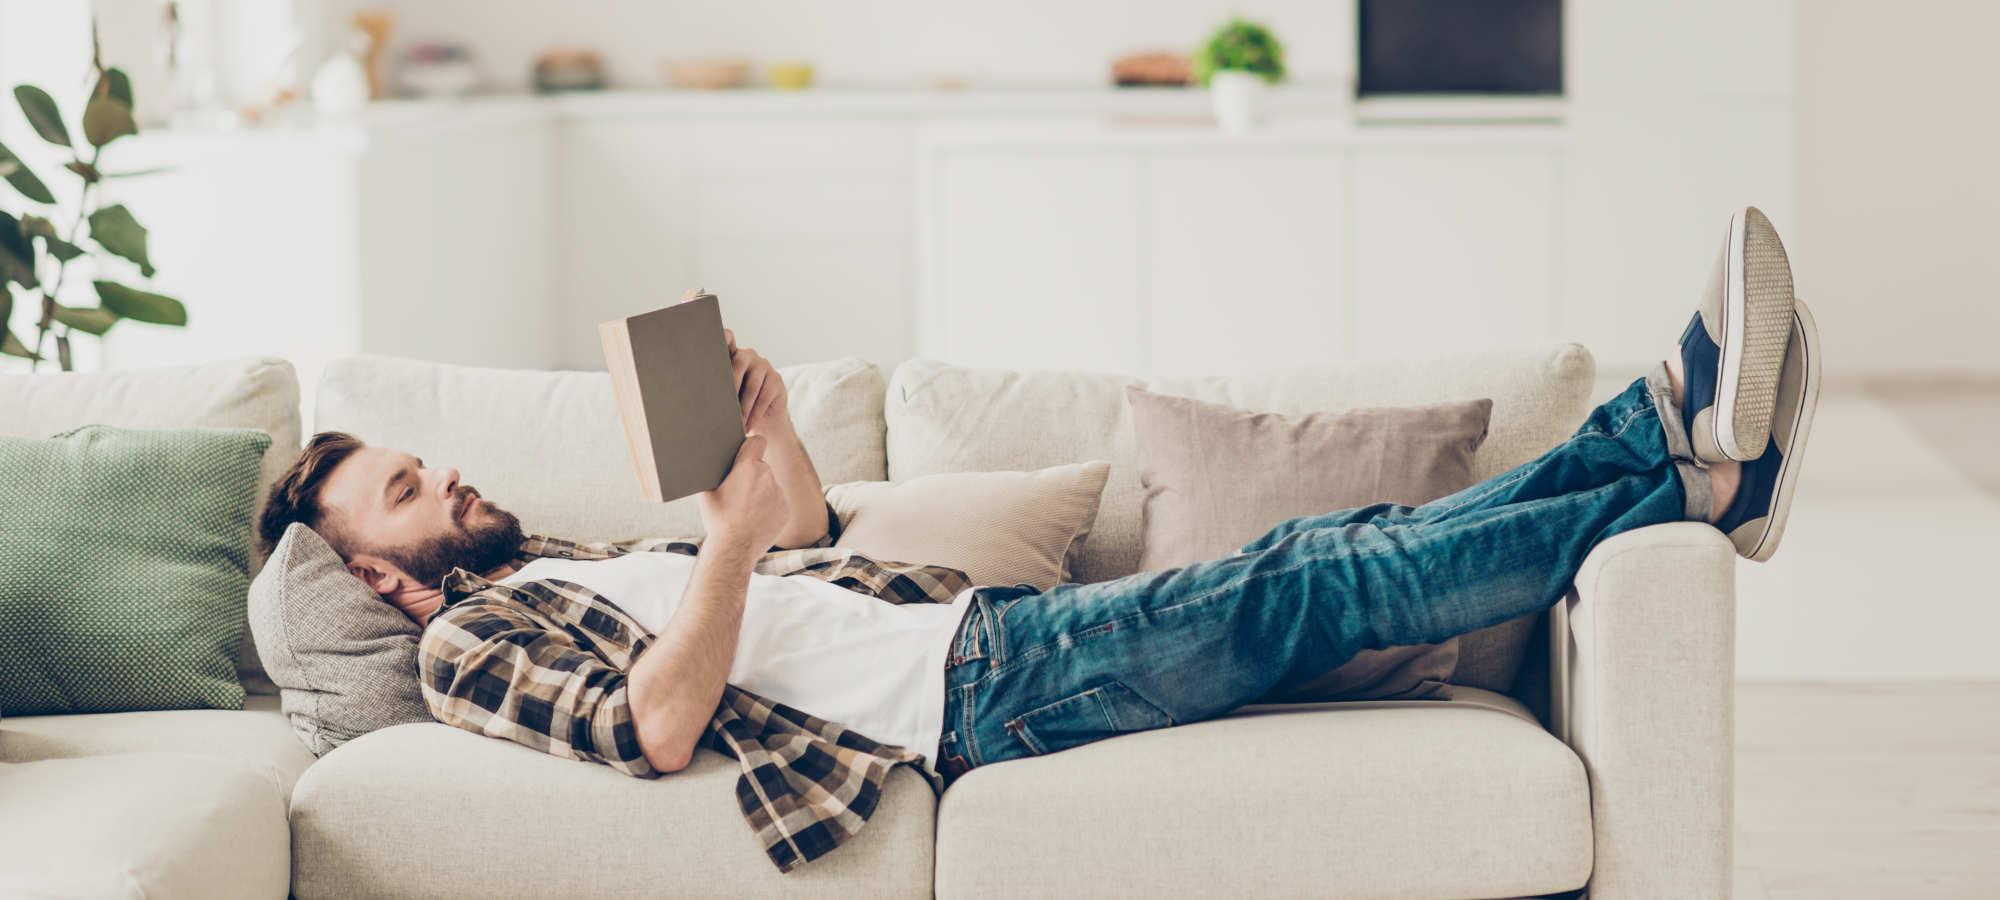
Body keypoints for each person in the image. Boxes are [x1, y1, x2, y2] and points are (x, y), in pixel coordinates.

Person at [256, 207, 1818, 872]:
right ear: (379, 579)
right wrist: (721, 548)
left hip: (979, 642)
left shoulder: (561, 561)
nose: (444, 478)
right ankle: (1678, 467)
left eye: (420, 462)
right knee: (1318, 578)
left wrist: (769, 436)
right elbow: (657, 725)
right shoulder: (472, 644)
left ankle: (1657, 440)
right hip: (981, 697)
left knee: (1339, 546)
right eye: (404, 493)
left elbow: (795, 541)